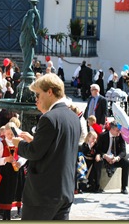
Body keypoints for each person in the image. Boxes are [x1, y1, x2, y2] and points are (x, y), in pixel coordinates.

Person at [12, 73, 81, 220]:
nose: (37, 99)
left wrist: (19, 144)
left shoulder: (49, 118)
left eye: (38, 94)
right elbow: (57, 148)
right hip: (65, 190)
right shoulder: (73, 117)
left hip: (44, 194)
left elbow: (34, 152)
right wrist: (33, 140)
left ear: (49, 92)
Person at [0, 122, 27, 220]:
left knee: (17, 191)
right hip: (6, 171)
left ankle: (18, 210)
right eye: (8, 134)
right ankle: (6, 216)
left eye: (12, 134)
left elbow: (24, 156)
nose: (10, 136)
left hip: (17, 170)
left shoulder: (19, 142)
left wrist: (19, 162)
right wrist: (5, 159)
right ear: (5, 133)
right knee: (6, 193)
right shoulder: (1, 144)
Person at [94, 121, 129, 194]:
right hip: (105, 157)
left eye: (119, 130)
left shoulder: (120, 136)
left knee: (126, 162)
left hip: (115, 158)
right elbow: (97, 149)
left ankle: (124, 187)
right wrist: (104, 156)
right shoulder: (102, 136)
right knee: (98, 162)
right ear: (112, 129)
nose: (119, 132)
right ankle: (96, 186)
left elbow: (123, 151)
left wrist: (117, 158)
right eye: (117, 130)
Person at [19, 3, 40, 77]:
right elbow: (30, 26)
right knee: (29, 54)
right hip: (26, 39)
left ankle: (27, 69)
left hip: (24, 38)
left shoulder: (26, 17)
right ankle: (27, 69)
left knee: (28, 55)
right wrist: (34, 36)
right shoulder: (30, 15)